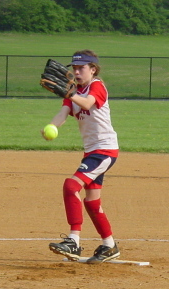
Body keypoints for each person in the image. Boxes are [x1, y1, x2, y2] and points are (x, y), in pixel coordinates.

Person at [45, 50, 120, 264]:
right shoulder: (73, 92)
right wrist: (51, 126)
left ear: (93, 69)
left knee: (71, 186)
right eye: (74, 68)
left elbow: (87, 103)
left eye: (82, 68)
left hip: (105, 150)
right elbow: (64, 113)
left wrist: (69, 94)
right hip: (92, 151)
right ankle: (109, 246)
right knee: (92, 202)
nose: (76, 72)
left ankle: (73, 241)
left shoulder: (97, 86)